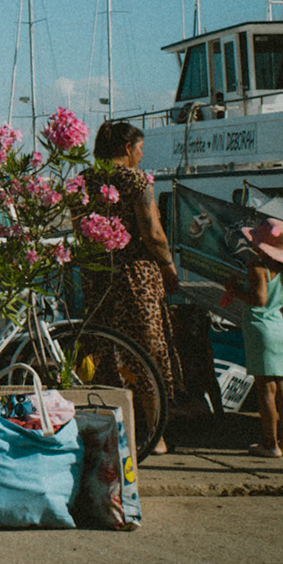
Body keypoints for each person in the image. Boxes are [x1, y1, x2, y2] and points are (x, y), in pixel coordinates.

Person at [78, 120, 187, 455]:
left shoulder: (84, 181)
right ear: (127, 148)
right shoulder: (136, 180)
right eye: (140, 148)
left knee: (108, 351)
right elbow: (152, 232)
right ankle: (156, 436)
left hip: (98, 275)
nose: (141, 154)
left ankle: (115, 431)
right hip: (134, 276)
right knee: (147, 351)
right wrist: (168, 266)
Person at [230, 218, 283, 458]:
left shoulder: (258, 268)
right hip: (280, 329)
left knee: (266, 390)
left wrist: (235, 290)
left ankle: (270, 444)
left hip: (260, 330)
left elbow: (259, 300)